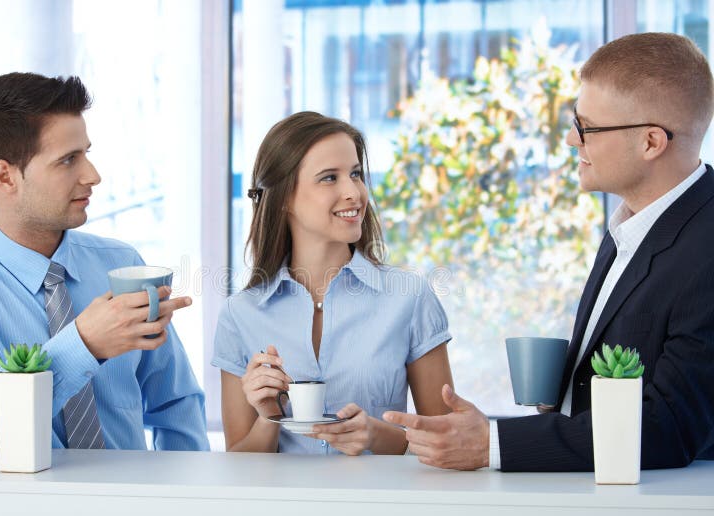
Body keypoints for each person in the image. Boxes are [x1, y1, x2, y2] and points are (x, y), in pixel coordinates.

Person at [384, 32, 714, 471]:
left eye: (586, 127)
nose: (572, 141)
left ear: (651, 142)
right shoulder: (630, 226)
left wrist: (492, 444)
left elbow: (666, 427)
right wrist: (561, 391)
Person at [0, 72, 209, 461]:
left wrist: (187, 506)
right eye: (68, 160)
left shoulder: (122, 264)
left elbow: (175, 404)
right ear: (5, 177)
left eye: (86, 153)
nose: (93, 175)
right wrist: (81, 345)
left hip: (133, 510)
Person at [212, 111, 454, 455]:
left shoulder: (410, 298)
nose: (353, 192)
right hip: (281, 509)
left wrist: (376, 435)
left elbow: (449, 443)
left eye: (355, 174)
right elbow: (238, 463)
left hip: (380, 506)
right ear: (283, 199)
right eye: (329, 178)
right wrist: (269, 417)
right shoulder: (241, 315)